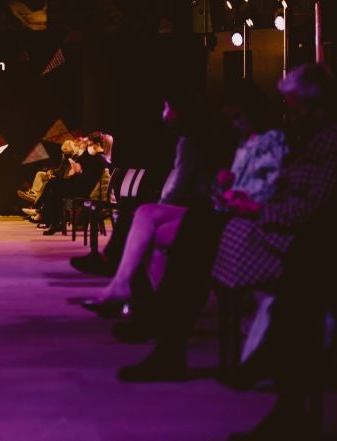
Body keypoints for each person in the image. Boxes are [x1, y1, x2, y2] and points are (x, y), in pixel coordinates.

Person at [117, 64, 337, 389]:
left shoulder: (322, 141)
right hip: (271, 223)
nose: (290, 112)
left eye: (295, 105)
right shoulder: (302, 137)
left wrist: (258, 208)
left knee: (198, 232)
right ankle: (166, 338)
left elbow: (311, 206)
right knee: (197, 227)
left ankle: (166, 337)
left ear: (315, 104)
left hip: (288, 236)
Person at [83, 80, 286, 315]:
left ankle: (145, 302)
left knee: (149, 226)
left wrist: (229, 192)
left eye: (237, 117)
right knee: (145, 215)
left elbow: (264, 185)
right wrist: (223, 186)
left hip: (225, 210)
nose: (234, 124)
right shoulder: (240, 141)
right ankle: (139, 299)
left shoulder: (269, 140)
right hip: (216, 204)